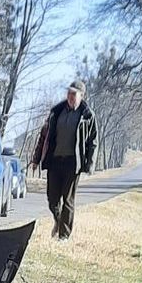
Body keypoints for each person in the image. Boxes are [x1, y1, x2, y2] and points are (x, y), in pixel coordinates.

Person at [32, 80, 97, 240]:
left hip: (72, 163)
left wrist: (89, 164)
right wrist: (36, 158)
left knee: (67, 199)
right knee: (52, 198)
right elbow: (44, 137)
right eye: (69, 93)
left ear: (82, 96)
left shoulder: (87, 116)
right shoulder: (56, 112)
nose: (70, 96)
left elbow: (93, 142)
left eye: (74, 94)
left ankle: (64, 236)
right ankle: (58, 220)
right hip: (55, 160)